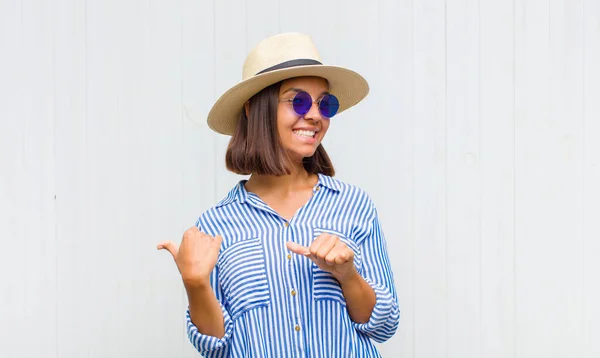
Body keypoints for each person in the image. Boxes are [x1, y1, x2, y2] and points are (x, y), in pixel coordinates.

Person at [157, 32, 399, 357]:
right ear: (253, 109)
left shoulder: (354, 205)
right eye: (298, 101)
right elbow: (216, 347)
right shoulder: (215, 225)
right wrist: (195, 283)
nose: (315, 115)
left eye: (324, 103)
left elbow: (384, 326)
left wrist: (347, 275)